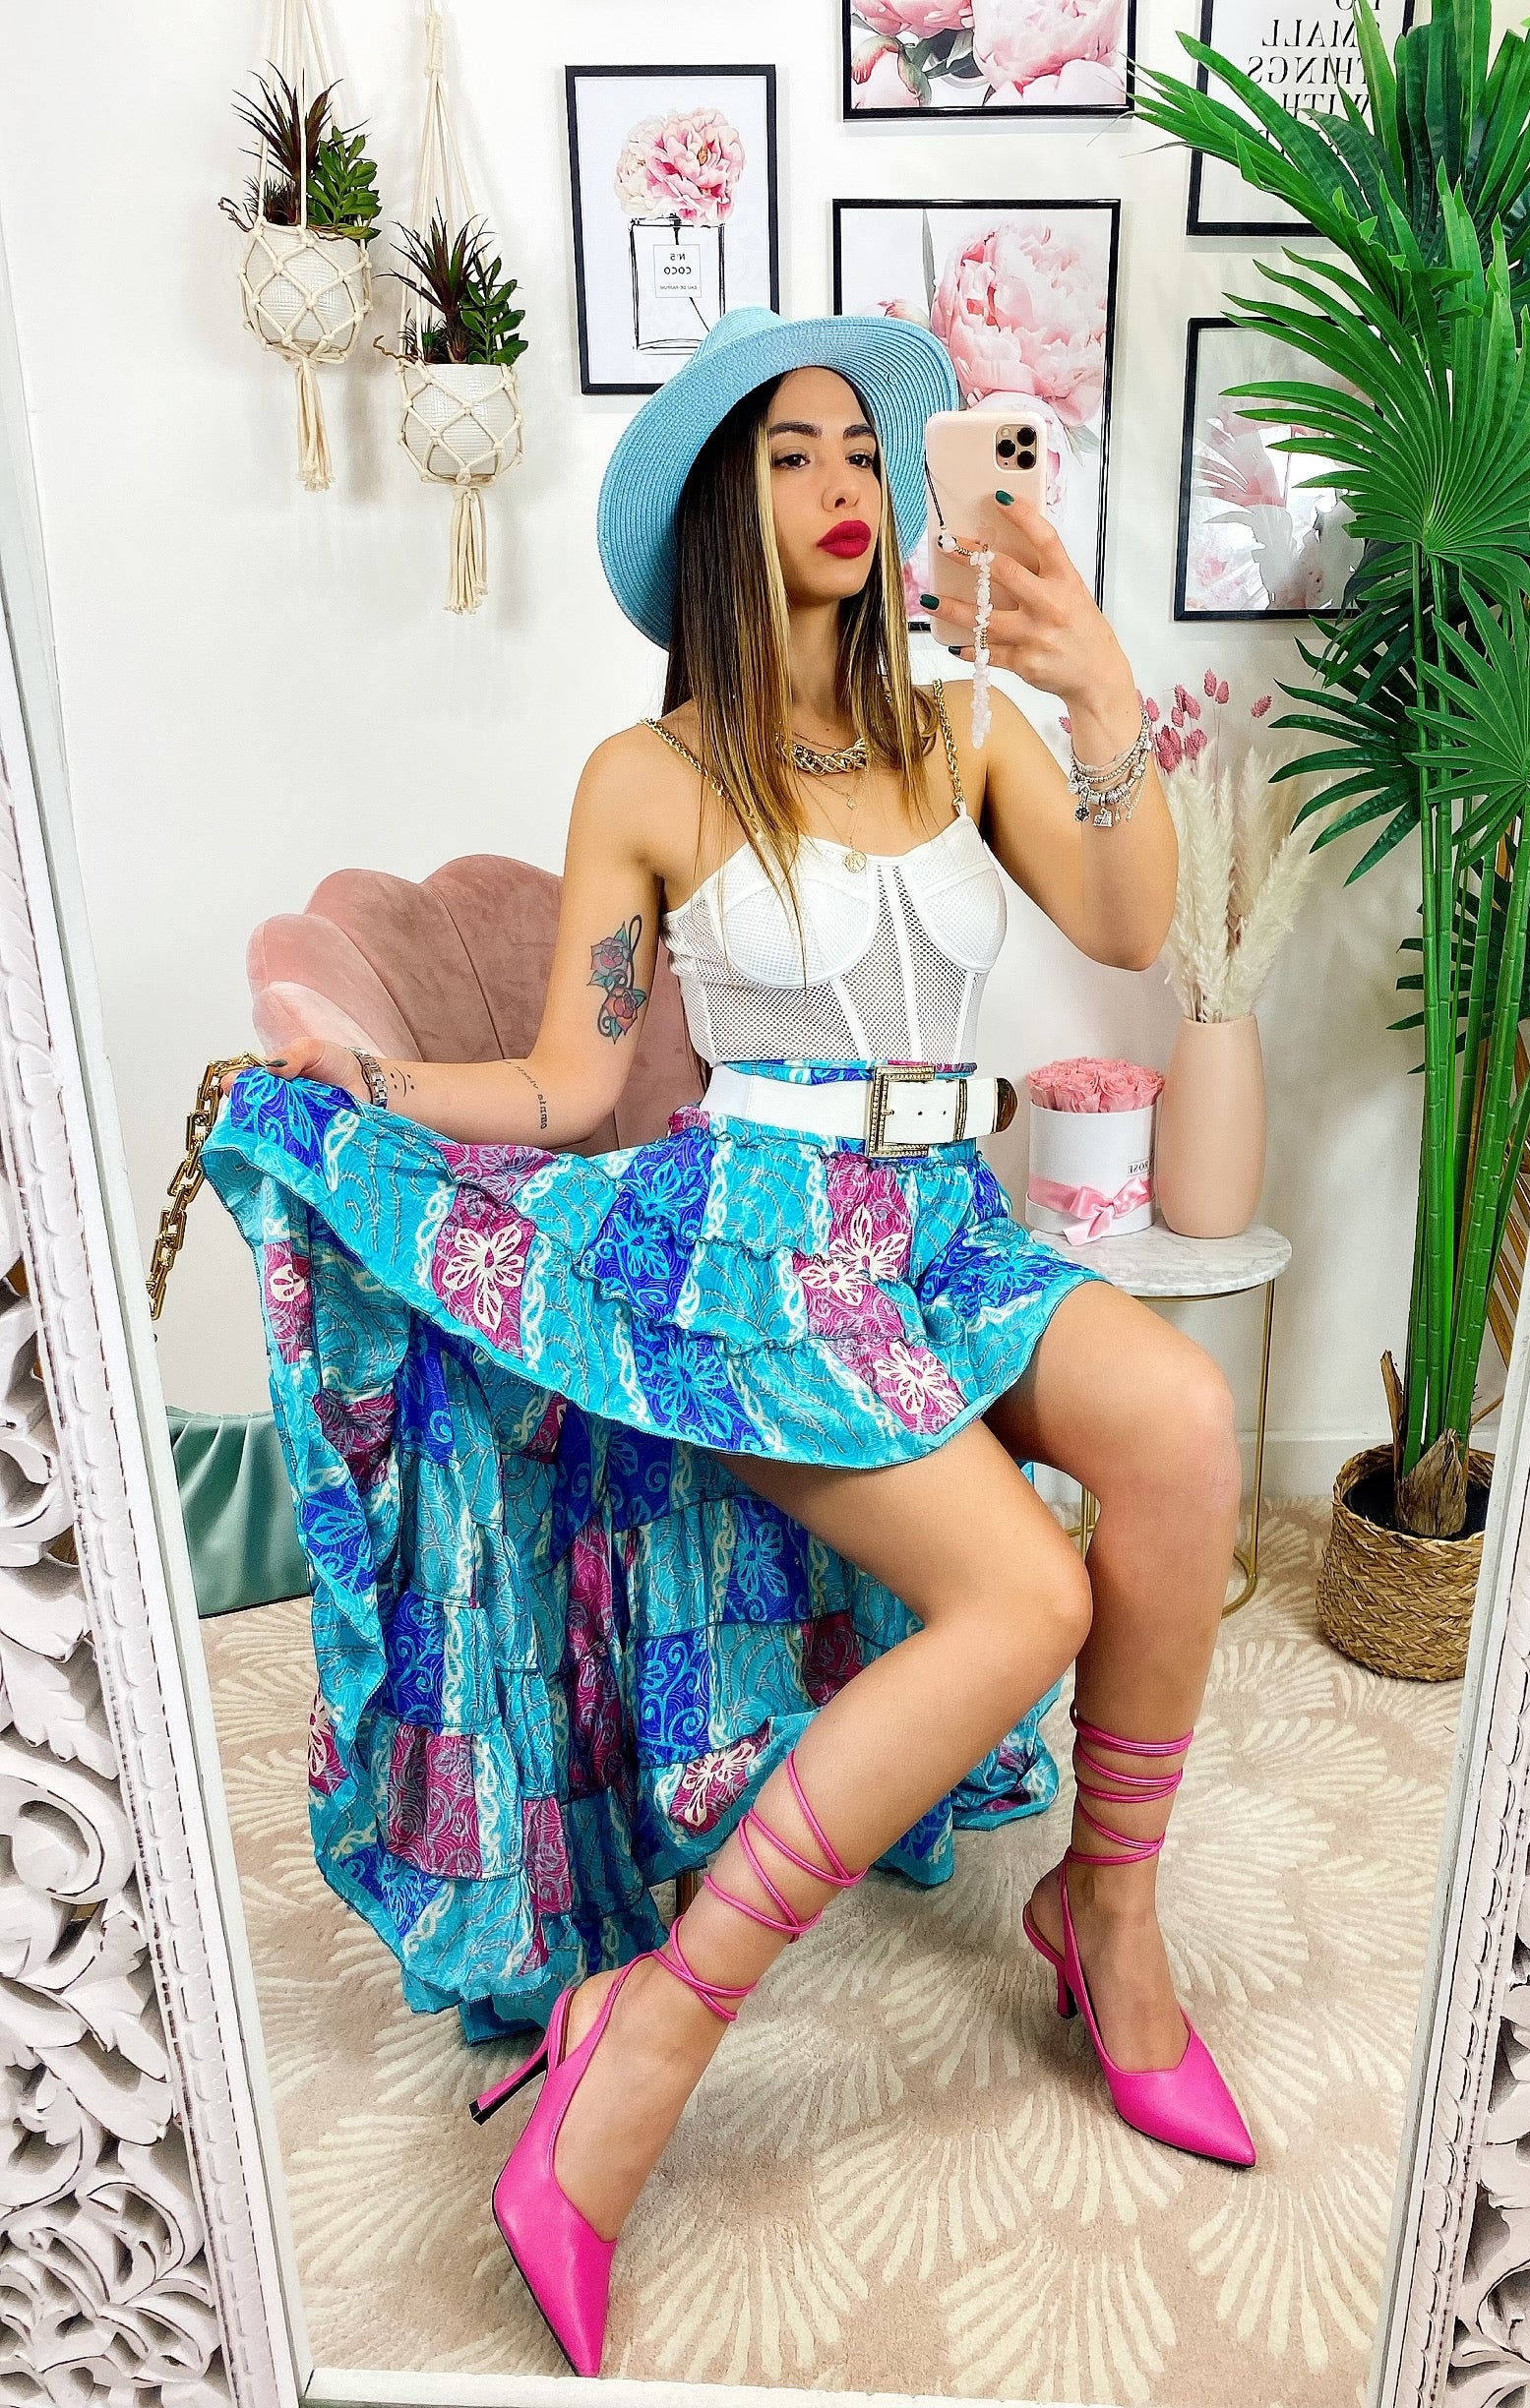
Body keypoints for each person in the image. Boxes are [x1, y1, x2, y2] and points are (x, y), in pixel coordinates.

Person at [204, 308, 1251, 2379]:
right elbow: (574, 1081)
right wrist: (368, 1088)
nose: (843, 484)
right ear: (714, 506)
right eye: (789, 454)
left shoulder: (967, 735)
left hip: (947, 1231)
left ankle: (1107, 1918)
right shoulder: (653, 775)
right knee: (1025, 1598)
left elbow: (1134, 930)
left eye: (863, 447)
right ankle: (653, 2032)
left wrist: (1098, 690)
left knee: (1187, 1423)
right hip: (761, 1256)